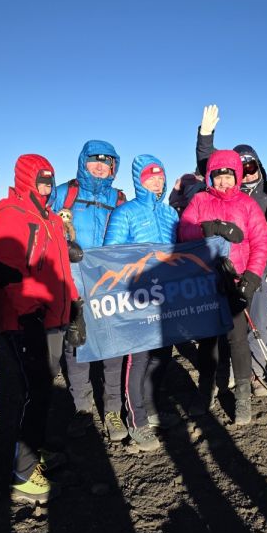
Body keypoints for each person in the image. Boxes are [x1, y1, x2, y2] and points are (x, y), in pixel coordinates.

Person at [0, 154, 82, 505]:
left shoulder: (50, 219)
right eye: (40, 181)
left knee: (43, 389)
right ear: (26, 180)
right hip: (26, 322)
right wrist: (29, 316)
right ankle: (23, 474)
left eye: (49, 181)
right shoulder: (12, 216)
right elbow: (10, 271)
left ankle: (34, 453)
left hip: (53, 318)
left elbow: (61, 271)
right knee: (34, 391)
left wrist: (74, 307)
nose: (45, 187)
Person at [179, 149, 267, 425]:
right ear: (210, 177)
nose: (223, 181)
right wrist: (210, 227)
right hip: (206, 281)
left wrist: (251, 279)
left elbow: (260, 242)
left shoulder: (247, 204)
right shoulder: (199, 200)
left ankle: (242, 395)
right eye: (218, 176)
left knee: (237, 339)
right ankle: (205, 389)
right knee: (208, 340)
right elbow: (184, 232)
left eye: (228, 176)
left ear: (237, 177)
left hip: (236, 281)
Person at [195, 104, 267, 396]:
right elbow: (210, 164)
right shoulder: (227, 192)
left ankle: (256, 373)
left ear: (258, 166)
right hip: (225, 267)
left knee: (258, 321)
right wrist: (205, 136)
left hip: (259, 266)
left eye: (252, 166)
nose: (249, 173)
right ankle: (234, 370)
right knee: (230, 325)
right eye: (244, 169)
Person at [51, 140, 128, 441]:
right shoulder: (64, 194)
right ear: (83, 162)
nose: (99, 167)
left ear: (113, 167)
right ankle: (81, 408)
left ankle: (112, 410)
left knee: (112, 349)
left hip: (108, 286)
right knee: (77, 348)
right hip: (73, 286)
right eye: (94, 161)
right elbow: (44, 230)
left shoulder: (118, 198)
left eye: (106, 163)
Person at [103, 155, 180, 450]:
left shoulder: (170, 213)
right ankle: (136, 421)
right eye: (151, 178)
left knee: (162, 356)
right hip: (137, 296)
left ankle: (150, 407)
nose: (157, 182)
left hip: (166, 296)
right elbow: (110, 254)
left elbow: (179, 251)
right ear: (139, 180)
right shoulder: (125, 212)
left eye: (160, 177)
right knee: (139, 359)